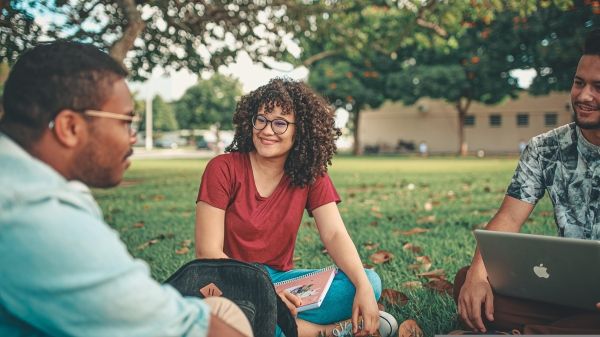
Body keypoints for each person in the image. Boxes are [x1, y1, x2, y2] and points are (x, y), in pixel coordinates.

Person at [0, 41, 252, 337]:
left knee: (221, 309)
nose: (132, 138)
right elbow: (190, 329)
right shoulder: (36, 215)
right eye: (126, 122)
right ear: (70, 127)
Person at [194, 78, 397, 337]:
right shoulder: (222, 169)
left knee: (368, 280)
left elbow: (334, 233)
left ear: (300, 130)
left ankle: (275, 325)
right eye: (262, 119)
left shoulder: (310, 174)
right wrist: (266, 295)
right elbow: (207, 253)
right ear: (250, 121)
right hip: (229, 282)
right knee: (230, 316)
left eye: (280, 123)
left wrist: (363, 289)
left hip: (282, 283)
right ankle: (328, 332)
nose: (267, 130)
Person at [454, 29, 600, 334]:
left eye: (598, 87)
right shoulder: (546, 148)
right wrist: (479, 276)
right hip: (569, 292)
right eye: (579, 83)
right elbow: (508, 218)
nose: (584, 96)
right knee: (469, 284)